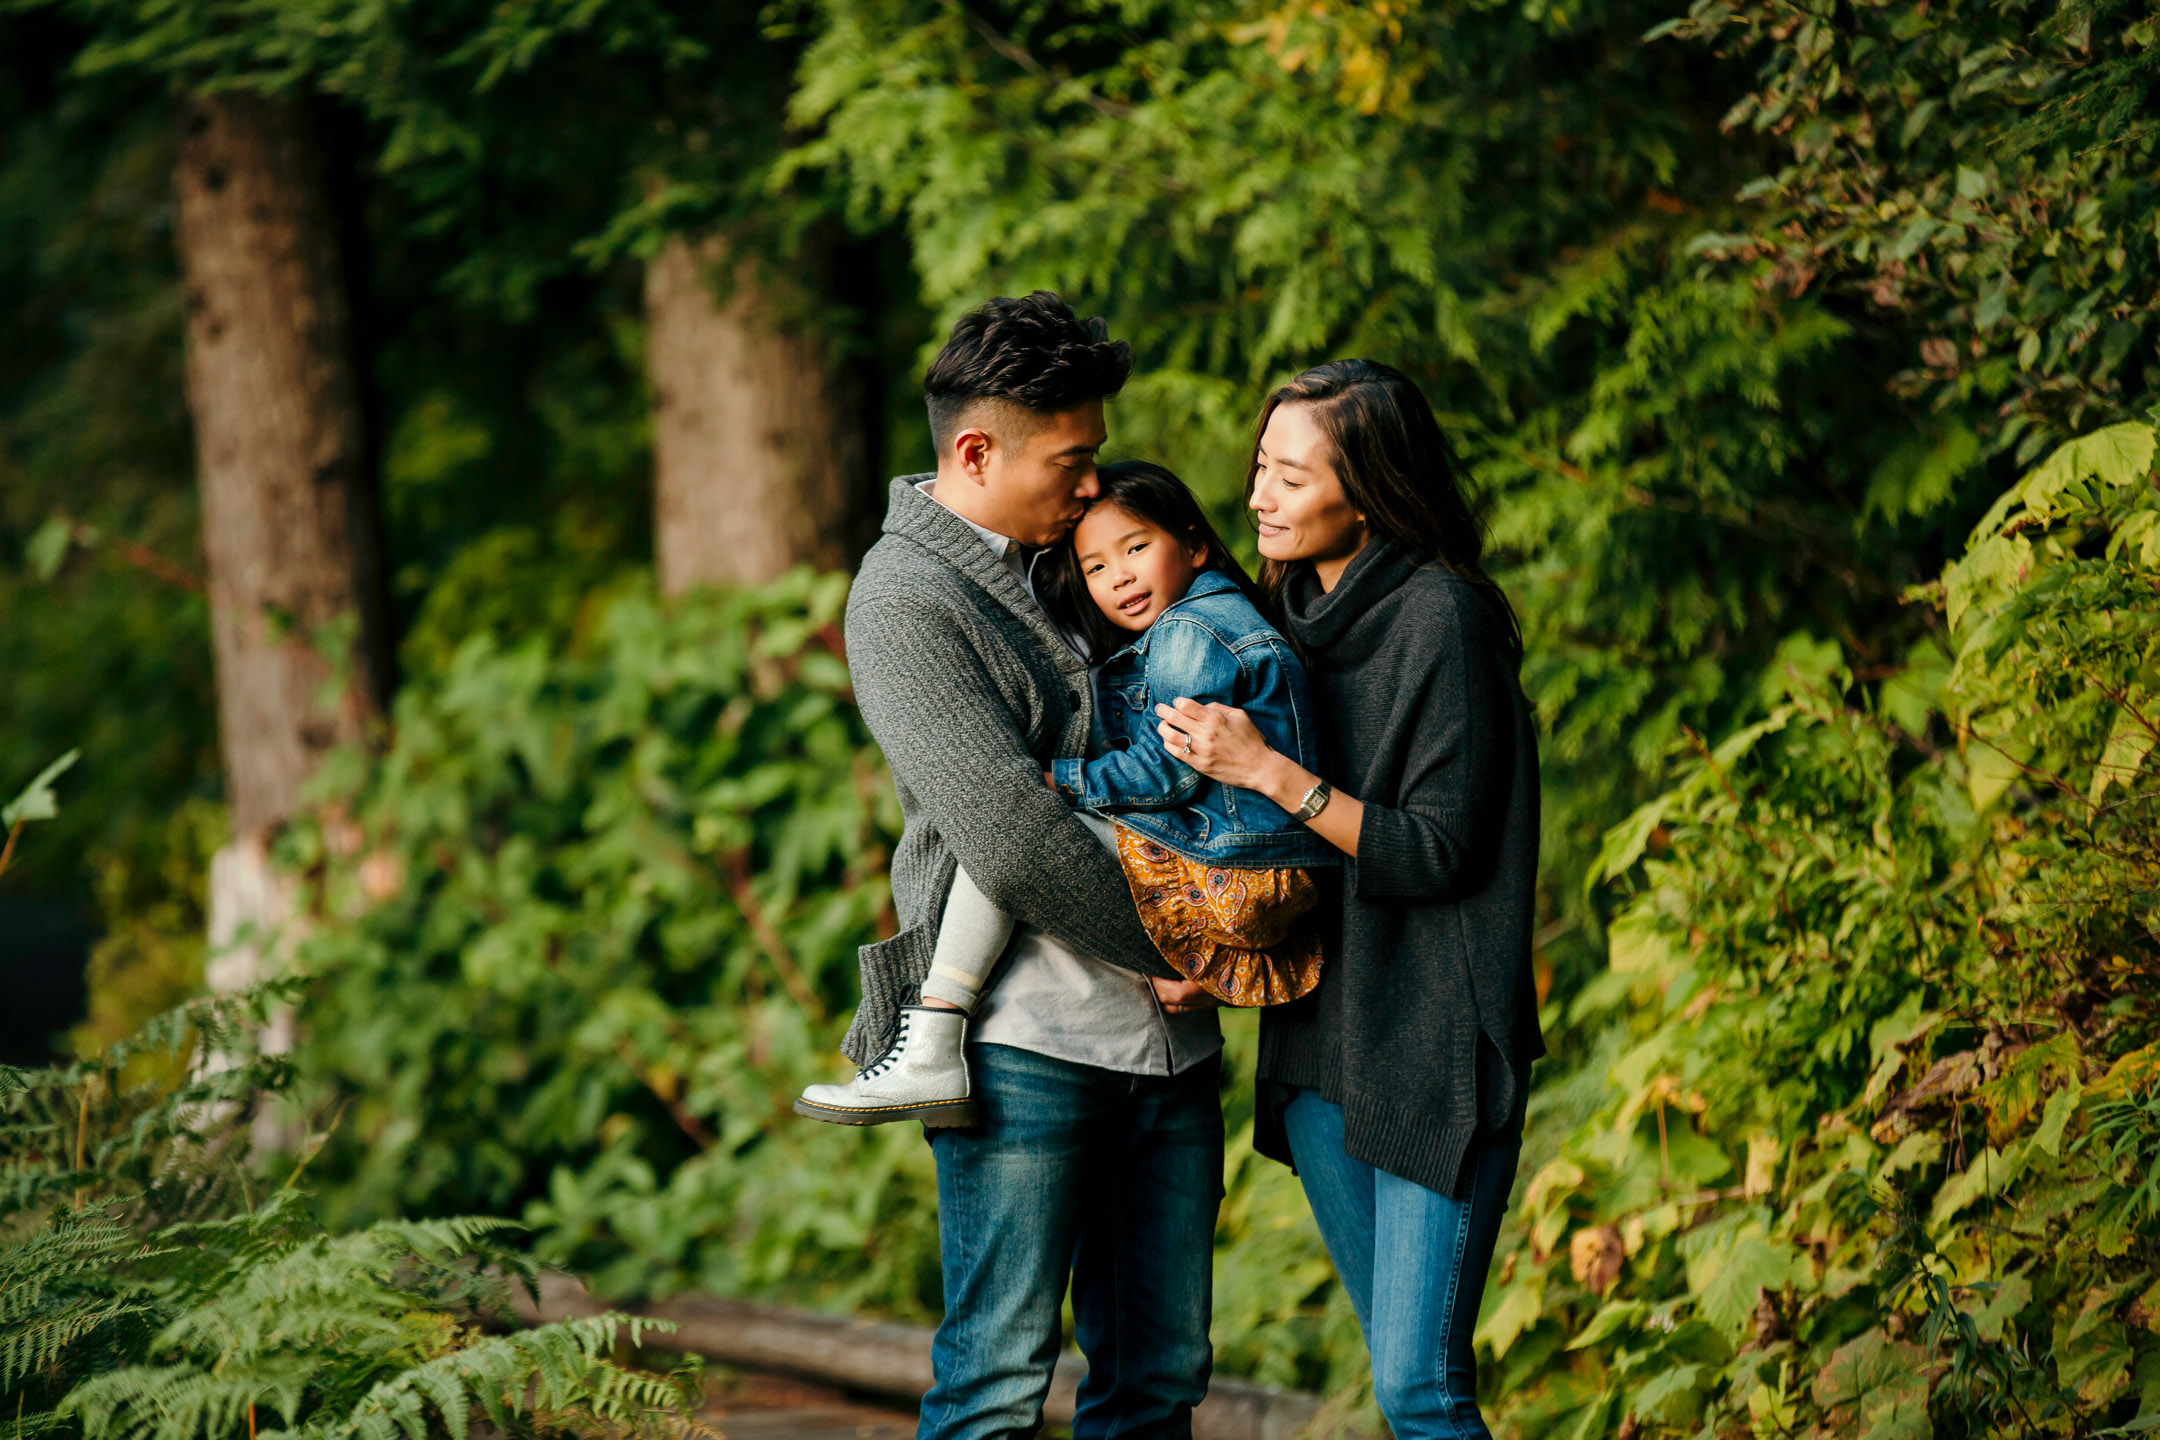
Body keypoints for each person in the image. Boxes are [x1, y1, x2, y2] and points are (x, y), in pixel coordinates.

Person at [807, 292, 1224, 1440]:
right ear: (976, 451)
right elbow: (1006, 829)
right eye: (1073, 460)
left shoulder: (1082, 553)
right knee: (994, 1386)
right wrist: (1186, 943)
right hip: (1024, 1045)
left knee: (1159, 1380)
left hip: (1171, 1045)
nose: (1094, 485)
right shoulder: (906, 598)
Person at [1155, 359, 1544, 1440]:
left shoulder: (1444, 623)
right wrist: (1216, 953)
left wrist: (1273, 772)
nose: (1258, 499)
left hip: (1431, 1043)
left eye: (1288, 476)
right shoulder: (1278, 619)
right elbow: (1276, 851)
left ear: (1366, 491)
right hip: (1323, 1036)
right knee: (1404, 1372)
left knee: (1420, 1390)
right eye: (1258, 470)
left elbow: (1438, 852)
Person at [798, 460, 1337, 1126]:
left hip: (1233, 864)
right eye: (1098, 568)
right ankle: (933, 1039)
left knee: (1006, 833)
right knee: (1008, 831)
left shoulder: (1194, 637)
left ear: (1194, 545)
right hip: (1253, 865)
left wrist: (1066, 779)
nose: (1121, 578)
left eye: (1136, 549)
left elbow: (1165, 772)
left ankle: (935, 1033)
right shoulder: (1203, 621)